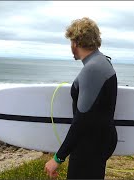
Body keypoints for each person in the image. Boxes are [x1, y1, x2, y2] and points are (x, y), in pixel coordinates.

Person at [44, 17, 118, 179]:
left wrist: (58, 157)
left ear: (76, 42)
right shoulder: (102, 62)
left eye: (71, 41)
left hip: (90, 145)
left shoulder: (92, 69)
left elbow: (82, 120)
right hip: (98, 140)